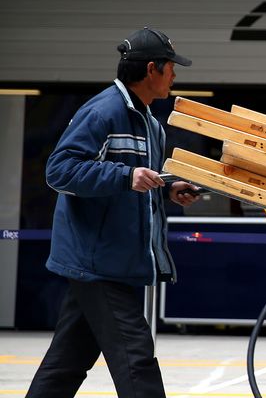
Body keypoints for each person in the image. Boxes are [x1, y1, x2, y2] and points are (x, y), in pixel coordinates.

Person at [26, 27, 201, 398]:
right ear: (152, 69)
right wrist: (126, 176)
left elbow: (134, 184)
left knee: (66, 363)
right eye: (171, 67)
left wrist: (168, 189)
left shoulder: (150, 123)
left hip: (115, 260)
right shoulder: (104, 111)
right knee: (136, 358)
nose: (176, 74)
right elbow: (59, 171)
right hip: (98, 262)